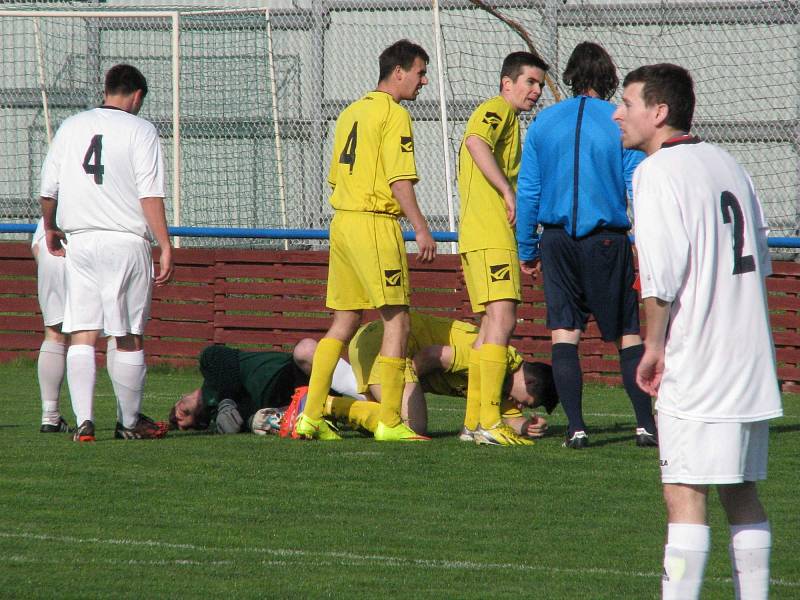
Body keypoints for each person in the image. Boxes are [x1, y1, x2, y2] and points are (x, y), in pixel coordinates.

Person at [613, 63, 783, 600]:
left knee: (684, 493)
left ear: (659, 113)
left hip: (699, 360)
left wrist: (654, 347)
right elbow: (763, 265)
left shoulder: (657, 173)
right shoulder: (731, 164)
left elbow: (659, 276)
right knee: (741, 491)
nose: (618, 113)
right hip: (750, 361)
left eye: (628, 103)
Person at [294, 39, 436, 442]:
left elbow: (337, 178)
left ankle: (312, 416)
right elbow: (399, 180)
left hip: (342, 222)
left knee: (344, 321)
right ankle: (390, 419)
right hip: (374, 223)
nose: (423, 81)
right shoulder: (393, 114)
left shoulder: (350, 112)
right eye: (420, 73)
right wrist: (421, 227)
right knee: (398, 319)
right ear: (399, 72)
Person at [515, 41, 655, 449]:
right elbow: (637, 183)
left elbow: (529, 191)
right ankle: (644, 425)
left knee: (564, 333)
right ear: (609, 79)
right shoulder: (617, 121)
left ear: (571, 76)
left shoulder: (544, 122)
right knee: (627, 335)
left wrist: (527, 248)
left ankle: (576, 428)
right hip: (607, 240)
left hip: (556, 240)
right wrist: (646, 243)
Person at [40, 63, 173, 442]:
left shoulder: (71, 126)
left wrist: (50, 227)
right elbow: (150, 194)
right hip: (124, 241)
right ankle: (129, 423)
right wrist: (164, 244)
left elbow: (48, 190)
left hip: (79, 240)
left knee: (83, 331)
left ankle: (84, 421)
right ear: (137, 96)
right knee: (127, 333)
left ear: (106, 90)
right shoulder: (141, 130)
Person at [457, 51, 549, 446]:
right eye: (530, 82)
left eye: (541, 84)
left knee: (489, 330)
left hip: (477, 236)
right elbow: (477, 141)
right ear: (506, 83)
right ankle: (490, 422)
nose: (537, 91)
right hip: (491, 235)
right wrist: (506, 190)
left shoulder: (508, 118)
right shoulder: (497, 110)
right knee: (503, 320)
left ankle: (474, 422)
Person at [348, 311, 558, 440]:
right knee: (412, 426)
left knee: (397, 417)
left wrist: (526, 427)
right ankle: (333, 406)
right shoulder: (498, 361)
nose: (518, 405)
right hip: (384, 343)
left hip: (382, 341)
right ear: (530, 382)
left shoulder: (505, 383)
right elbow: (432, 355)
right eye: (526, 403)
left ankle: (335, 400)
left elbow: (505, 419)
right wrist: (407, 388)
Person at [170, 341, 378, 435]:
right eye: (185, 427)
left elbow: (223, 361)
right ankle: (373, 415)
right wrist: (247, 421)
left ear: (180, 399)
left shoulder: (210, 364)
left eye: (174, 417)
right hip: (296, 404)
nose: (180, 422)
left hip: (294, 372)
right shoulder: (227, 421)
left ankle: (372, 398)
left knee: (306, 349)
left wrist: (226, 401)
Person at [31, 218, 70, 433]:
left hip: (49, 250)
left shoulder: (59, 187)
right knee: (116, 336)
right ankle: (126, 419)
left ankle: (50, 416)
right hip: (89, 245)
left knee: (54, 334)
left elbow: (37, 246)